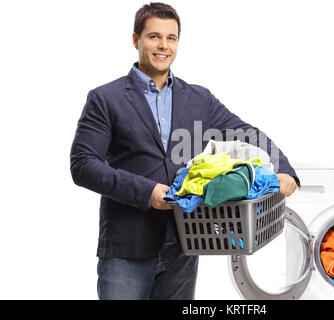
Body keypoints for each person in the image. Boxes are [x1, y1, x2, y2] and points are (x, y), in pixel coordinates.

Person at [70, 2, 300, 300]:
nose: (163, 45)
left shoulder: (198, 99)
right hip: (127, 248)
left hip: (184, 245)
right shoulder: (106, 98)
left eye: (171, 38)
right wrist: (147, 192)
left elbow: (248, 134)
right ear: (135, 39)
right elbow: (83, 164)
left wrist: (286, 170)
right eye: (154, 36)